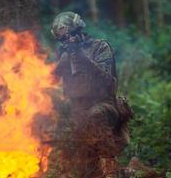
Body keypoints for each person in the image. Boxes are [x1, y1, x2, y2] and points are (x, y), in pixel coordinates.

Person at [51, 11, 132, 178]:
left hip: (103, 104)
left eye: (70, 36)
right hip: (76, 109)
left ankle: (110, 170)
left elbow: (108, 81)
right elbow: (50, 80)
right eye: (63, 39)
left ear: (79, 30)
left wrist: (83, 59)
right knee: (85, 170)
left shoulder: (100, 47)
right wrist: (62, 63)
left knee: (96, 115)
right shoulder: (63, 53)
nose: (68, 41)